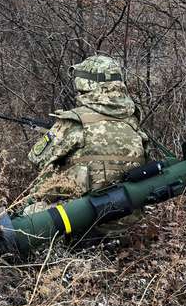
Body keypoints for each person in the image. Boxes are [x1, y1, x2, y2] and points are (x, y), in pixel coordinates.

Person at [21, 55, 149, 242]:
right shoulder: (133, 121)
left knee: (25, 215)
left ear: (86, 84)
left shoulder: (73, 121)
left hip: (83, 221)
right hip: (126, 221)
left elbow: (36, 158)